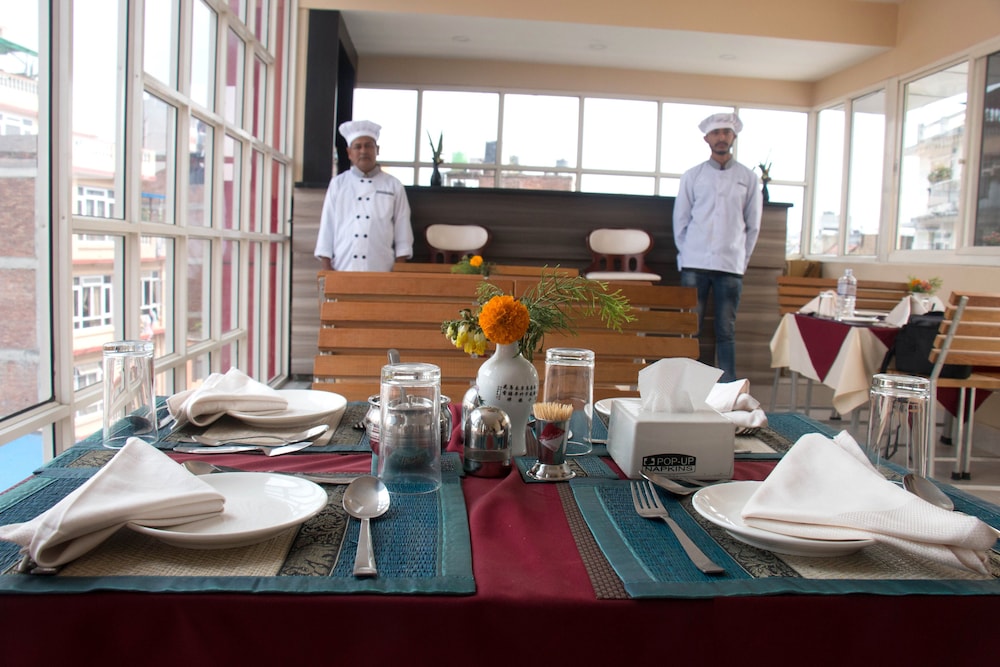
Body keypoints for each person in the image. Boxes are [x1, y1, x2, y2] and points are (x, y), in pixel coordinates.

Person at [672, 112, 763, 382]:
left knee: (726, 331)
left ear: (733, 137)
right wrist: (686, 254)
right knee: (690, 329)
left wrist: (741, 260)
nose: (721, 137)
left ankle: (729, 391)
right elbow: (680, 220)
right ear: (707, 138)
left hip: (730, 265)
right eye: (716, 133)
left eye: (726, 132)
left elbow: (753, 225)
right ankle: (689, 385)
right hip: (694, 263)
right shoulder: (692, 175)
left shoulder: (748, 178)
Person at [314, 120, 414, 271]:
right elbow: (327, 225)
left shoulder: (393, 185)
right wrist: (326, 267)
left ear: (377, 150)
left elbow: (403, 227)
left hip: (382, 268)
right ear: (349, 153)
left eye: (368, 146)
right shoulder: (338, 184)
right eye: (357, 146)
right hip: (343, 267)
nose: (363, 151)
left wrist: (399, 267)